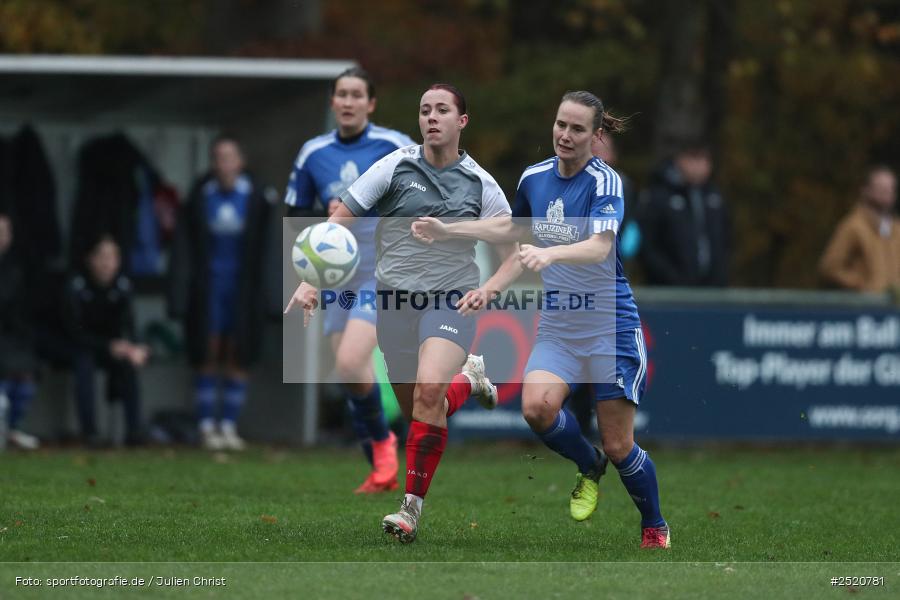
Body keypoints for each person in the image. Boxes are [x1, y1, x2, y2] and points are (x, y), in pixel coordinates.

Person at [411, 91, 670, 549]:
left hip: (609, 327)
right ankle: (588, 466)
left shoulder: (605, 182)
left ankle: (654, 525)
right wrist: (474, 265)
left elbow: (600, 248)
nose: (565, 136)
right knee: (537, 409)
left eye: (577, 129)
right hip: (560, 326)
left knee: (619, 445)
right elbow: (513, 236)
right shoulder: (534, 179)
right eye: (560, 125)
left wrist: (548, 252)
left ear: (596, 136)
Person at [285, 83, 511, 543]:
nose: (431, 117)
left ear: (461, 121)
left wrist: (487, 290)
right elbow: (342, 217)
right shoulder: (394, 166)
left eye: (442, 110)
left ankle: (409, 510)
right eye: (425, 109)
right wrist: (311, 280)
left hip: (451, 297)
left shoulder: (481, 183)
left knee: (429, 391)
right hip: (394, 300)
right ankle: (468, 380)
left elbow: (511, 247)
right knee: (421, 410)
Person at [284, 67, 413, 493]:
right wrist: (309, 266)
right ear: (332, 102)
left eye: (357, 94)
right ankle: (382, 458)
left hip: (383, 268)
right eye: (342, 94)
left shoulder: (394, 146)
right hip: (335, 275)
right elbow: (297, 215)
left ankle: (383, 447)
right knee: (349, 374)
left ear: (370, 103)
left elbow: (424, 194)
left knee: (352, 359)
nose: (348, 101)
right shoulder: (313, 153)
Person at [169, 135, 277, 451]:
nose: (223, 163)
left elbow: (269, 248)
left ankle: (228, 425)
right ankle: (205, 426)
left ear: (240, 161)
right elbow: (184, 247)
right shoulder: (200, 196)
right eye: (218, 157)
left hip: (243, 289)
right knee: (208, 348)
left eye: (229, 156)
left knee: (238, 350)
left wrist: (272, 295)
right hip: (209, 287)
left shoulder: (258, 197)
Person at [65, 235, 149, 447]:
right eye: (101, 256)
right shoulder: (76, 285)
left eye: (112, 257)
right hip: (79, 345)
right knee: (84, 364)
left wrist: (135, 347)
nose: (106, 263)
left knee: (129, 365)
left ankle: (134, 432)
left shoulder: (123, 286)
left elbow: (129, 324)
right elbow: (74, 332)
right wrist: (109, 346)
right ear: (89, 259)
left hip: (111, 347)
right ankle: (90, 432)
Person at [638, 143, 729, 286]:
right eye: (694, 158)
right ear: (679, 160)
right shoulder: (659, 195)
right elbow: (648, 245)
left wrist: (720, 275)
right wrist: (671, 277)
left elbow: (726, 240)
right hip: (669, 290)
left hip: (712, 289)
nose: (699, 165)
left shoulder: (715, 196)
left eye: (704, 159)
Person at [819, 165, 900, 294]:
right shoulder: (853, 226)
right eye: (881, 189)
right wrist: (861, 283)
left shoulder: (896, 228)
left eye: (890, 189)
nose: (886, 194)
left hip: (894, 307)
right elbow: (830, 267)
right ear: (866, 190)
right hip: (866, 306)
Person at [0, 214, 40, 449]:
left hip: (9, 339)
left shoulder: (16, 270)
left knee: (24, 374)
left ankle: (10, 429)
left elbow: (20, 318)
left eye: (4, 232)